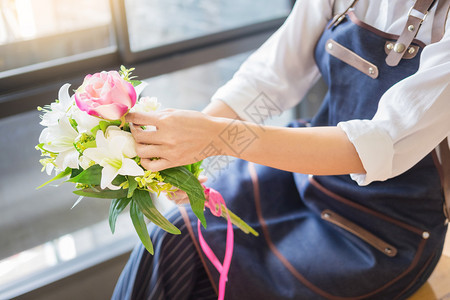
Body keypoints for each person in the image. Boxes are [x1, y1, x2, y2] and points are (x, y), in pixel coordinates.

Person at [112, 0, 450, 299]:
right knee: (171, 236)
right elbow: (270, 78)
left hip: (386, 230)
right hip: (302, 179)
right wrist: (198, 151)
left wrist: (210, 136)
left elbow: (376, 145)